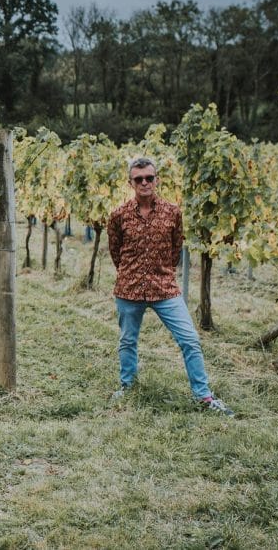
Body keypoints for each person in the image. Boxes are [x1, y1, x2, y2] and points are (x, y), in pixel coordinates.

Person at [106, 157, 234, 416]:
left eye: (149, 178)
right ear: (130, 183)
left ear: (157, 180)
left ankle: (204, 396)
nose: (144, 183)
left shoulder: (172, 212)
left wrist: (160, 271)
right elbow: (115, 251)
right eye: (139, 179)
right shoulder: (118, 215)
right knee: (127, 341)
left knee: (190, 339)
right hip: (129, 289)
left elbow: (176, 249)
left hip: (164, 287)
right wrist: (131, 272)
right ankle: (128, 387)